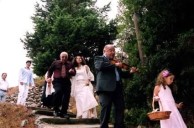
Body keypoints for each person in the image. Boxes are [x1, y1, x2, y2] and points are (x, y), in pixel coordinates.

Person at [94, 44, 138, 128]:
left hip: (117, 87)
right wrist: (115, 65)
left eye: (114, 50)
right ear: (104, 51)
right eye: (110, 50)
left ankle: (119, 126)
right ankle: (103, 126)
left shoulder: (115, 61)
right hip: (105, 88)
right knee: (106, 107)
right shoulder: (99, 58)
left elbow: (121, 74)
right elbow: (100, 66)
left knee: (120, 107)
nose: (113, 52)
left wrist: (131, 72)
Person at [47, 51, 76, 118]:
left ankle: (64, 112)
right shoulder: (55, 62)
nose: (64, 58)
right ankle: (56, 110)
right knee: (58, 92)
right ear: (60, 57)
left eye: (65, 57)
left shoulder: (70, 64)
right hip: (57, 81)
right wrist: (48, 77)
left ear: (67, 57)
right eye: (63, 57)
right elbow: (50, 70)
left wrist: (72, 72)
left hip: (66, 82)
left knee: (66, 96)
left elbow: (74, 73)